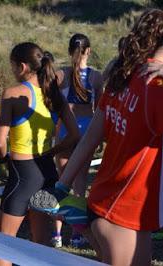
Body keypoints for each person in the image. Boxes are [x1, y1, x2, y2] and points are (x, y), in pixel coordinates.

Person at [39, 7, 163, 265]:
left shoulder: (126, 72)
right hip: (125, 218)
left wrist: (62, 185)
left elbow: (93, 134)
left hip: (103, 206)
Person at [0, 42, 80, 266]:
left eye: (12, 67)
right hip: (47, 172)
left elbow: (0, 140)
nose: (12, 71)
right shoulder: (54, 95)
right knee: (40, 244)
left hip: (22, 175)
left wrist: (3, 159)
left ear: (22, 66)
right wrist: (51, 151)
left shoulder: (13, 93)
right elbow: (74, 136)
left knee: (4, 245)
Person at [54, 33, 104, 248]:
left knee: (60, 182)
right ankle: (76, 233)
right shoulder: (96, 77)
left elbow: (53, 105)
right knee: (79, 186)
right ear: (89, 51)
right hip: (86, 130)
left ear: (68, 51)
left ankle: (56, 233)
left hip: (65, 129)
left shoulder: (60, 74)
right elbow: (100, 108)